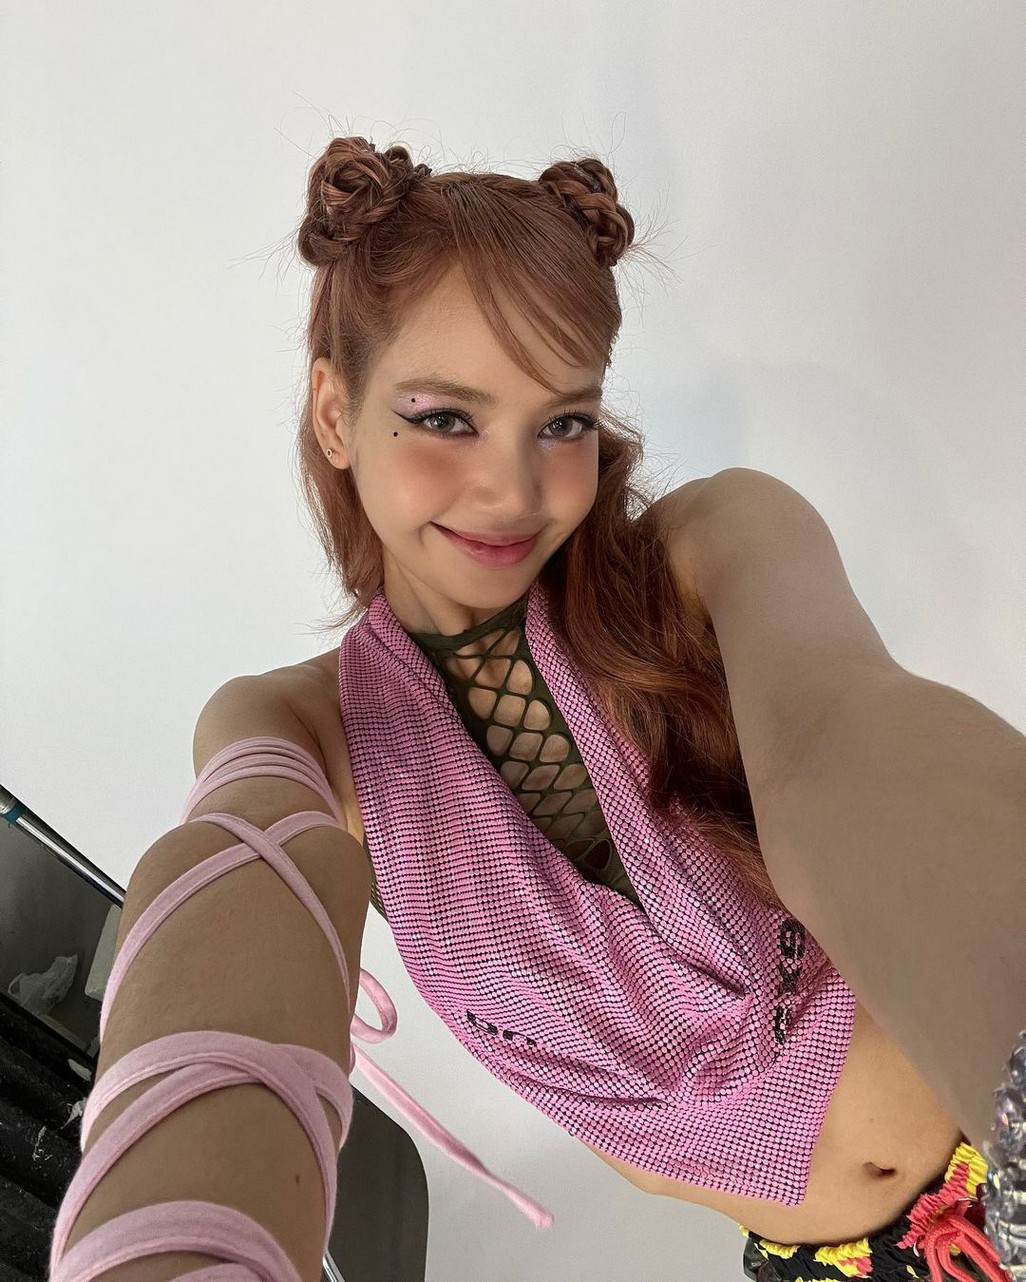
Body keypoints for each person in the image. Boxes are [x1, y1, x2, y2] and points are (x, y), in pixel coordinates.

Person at [48, 137, 1017, 1282]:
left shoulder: (705, 554)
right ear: (335, 412)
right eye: (445, 418)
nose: (511, 488)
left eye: (560, 421)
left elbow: (841, 743)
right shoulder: (304, 731)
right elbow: (238, 893)